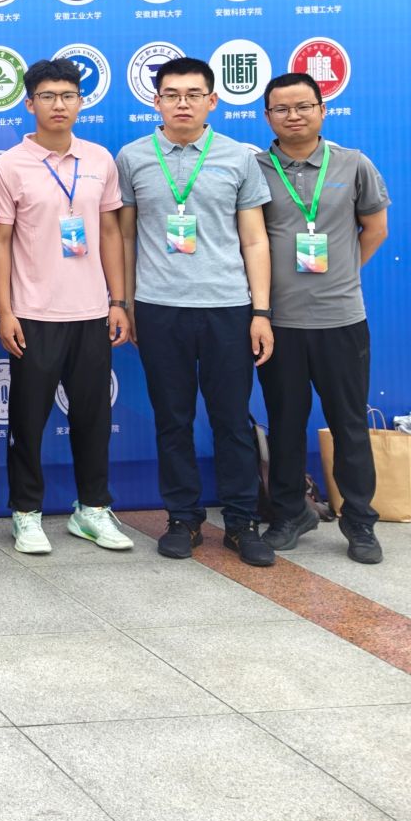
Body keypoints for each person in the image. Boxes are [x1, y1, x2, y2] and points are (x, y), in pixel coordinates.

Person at [114, 58, 276, 567]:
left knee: (231, 421)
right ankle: (183, 518)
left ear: (212, 101)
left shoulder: (238, 157)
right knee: (173, 420)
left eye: (193, 94)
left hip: (228, 307)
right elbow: (124, 237)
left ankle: (241, 522)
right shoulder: (133, 157)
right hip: (159, 308)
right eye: (171, 94)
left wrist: (261, 311)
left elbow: (255, 239)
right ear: (156, 101)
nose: (182, 103)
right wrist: (126, 303)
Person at [0, 58, 135, 557]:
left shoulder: (99, 160)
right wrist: (6, 311)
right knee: (27, 421)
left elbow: (110, 230)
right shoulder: (10, 166)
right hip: (34, 313)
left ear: (80, 102)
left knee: (94, 418)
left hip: (91, 311)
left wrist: (118, 300)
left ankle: (92, 509)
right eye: (48, 97)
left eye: (68, 96)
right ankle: (26, 513)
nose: (59, 105)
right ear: (30, 104)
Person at [256, 72, 391, 564]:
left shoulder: (354, 164)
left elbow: (375, 228)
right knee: (285, 423)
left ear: (322, 109)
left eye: (303, 106)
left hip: (341, 319)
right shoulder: (255, 169)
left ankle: (360, 521)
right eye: (282, 108)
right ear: (267, 116)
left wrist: (343, 274)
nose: (293, 116)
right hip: (280, 323)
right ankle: (290, 513)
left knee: (349, 424)